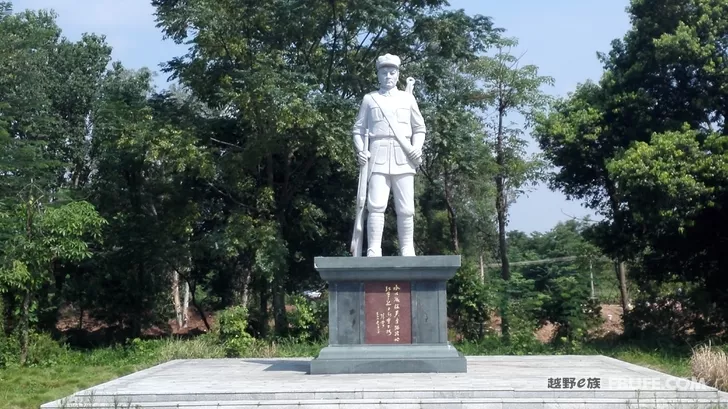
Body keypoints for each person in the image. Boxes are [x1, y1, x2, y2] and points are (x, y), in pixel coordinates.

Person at [351, 53, 426, 257]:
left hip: (403, 156)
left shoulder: (407, 99)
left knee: (406, 208)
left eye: (392, 72)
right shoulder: (370, 99)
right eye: (384, 72)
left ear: (398, 74)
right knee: (375, 206)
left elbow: (419, 128)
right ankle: (374, 248)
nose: (388, 76)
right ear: (378, 75)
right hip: (377, 155)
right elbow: (358, 129)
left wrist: (416, 147)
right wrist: (361, 150)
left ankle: (407, 248)